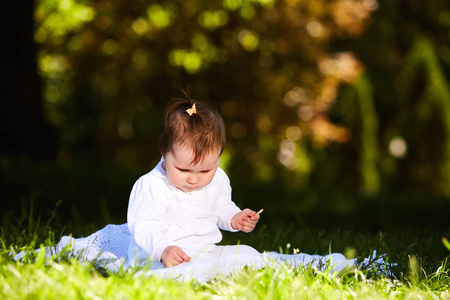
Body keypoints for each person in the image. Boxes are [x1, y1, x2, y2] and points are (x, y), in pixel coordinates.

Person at [127, 93, 261, 268]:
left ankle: (208, 269)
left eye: (205, 170)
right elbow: (145, 227)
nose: (193, 179)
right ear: (164, 153)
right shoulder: (151, 185)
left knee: (250, 254)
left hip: (205, 252)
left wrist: (236, 218)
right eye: (183, 169)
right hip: (160, 256)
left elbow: (221, 208)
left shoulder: (218, 179)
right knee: (166, 270)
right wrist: (164, 249)